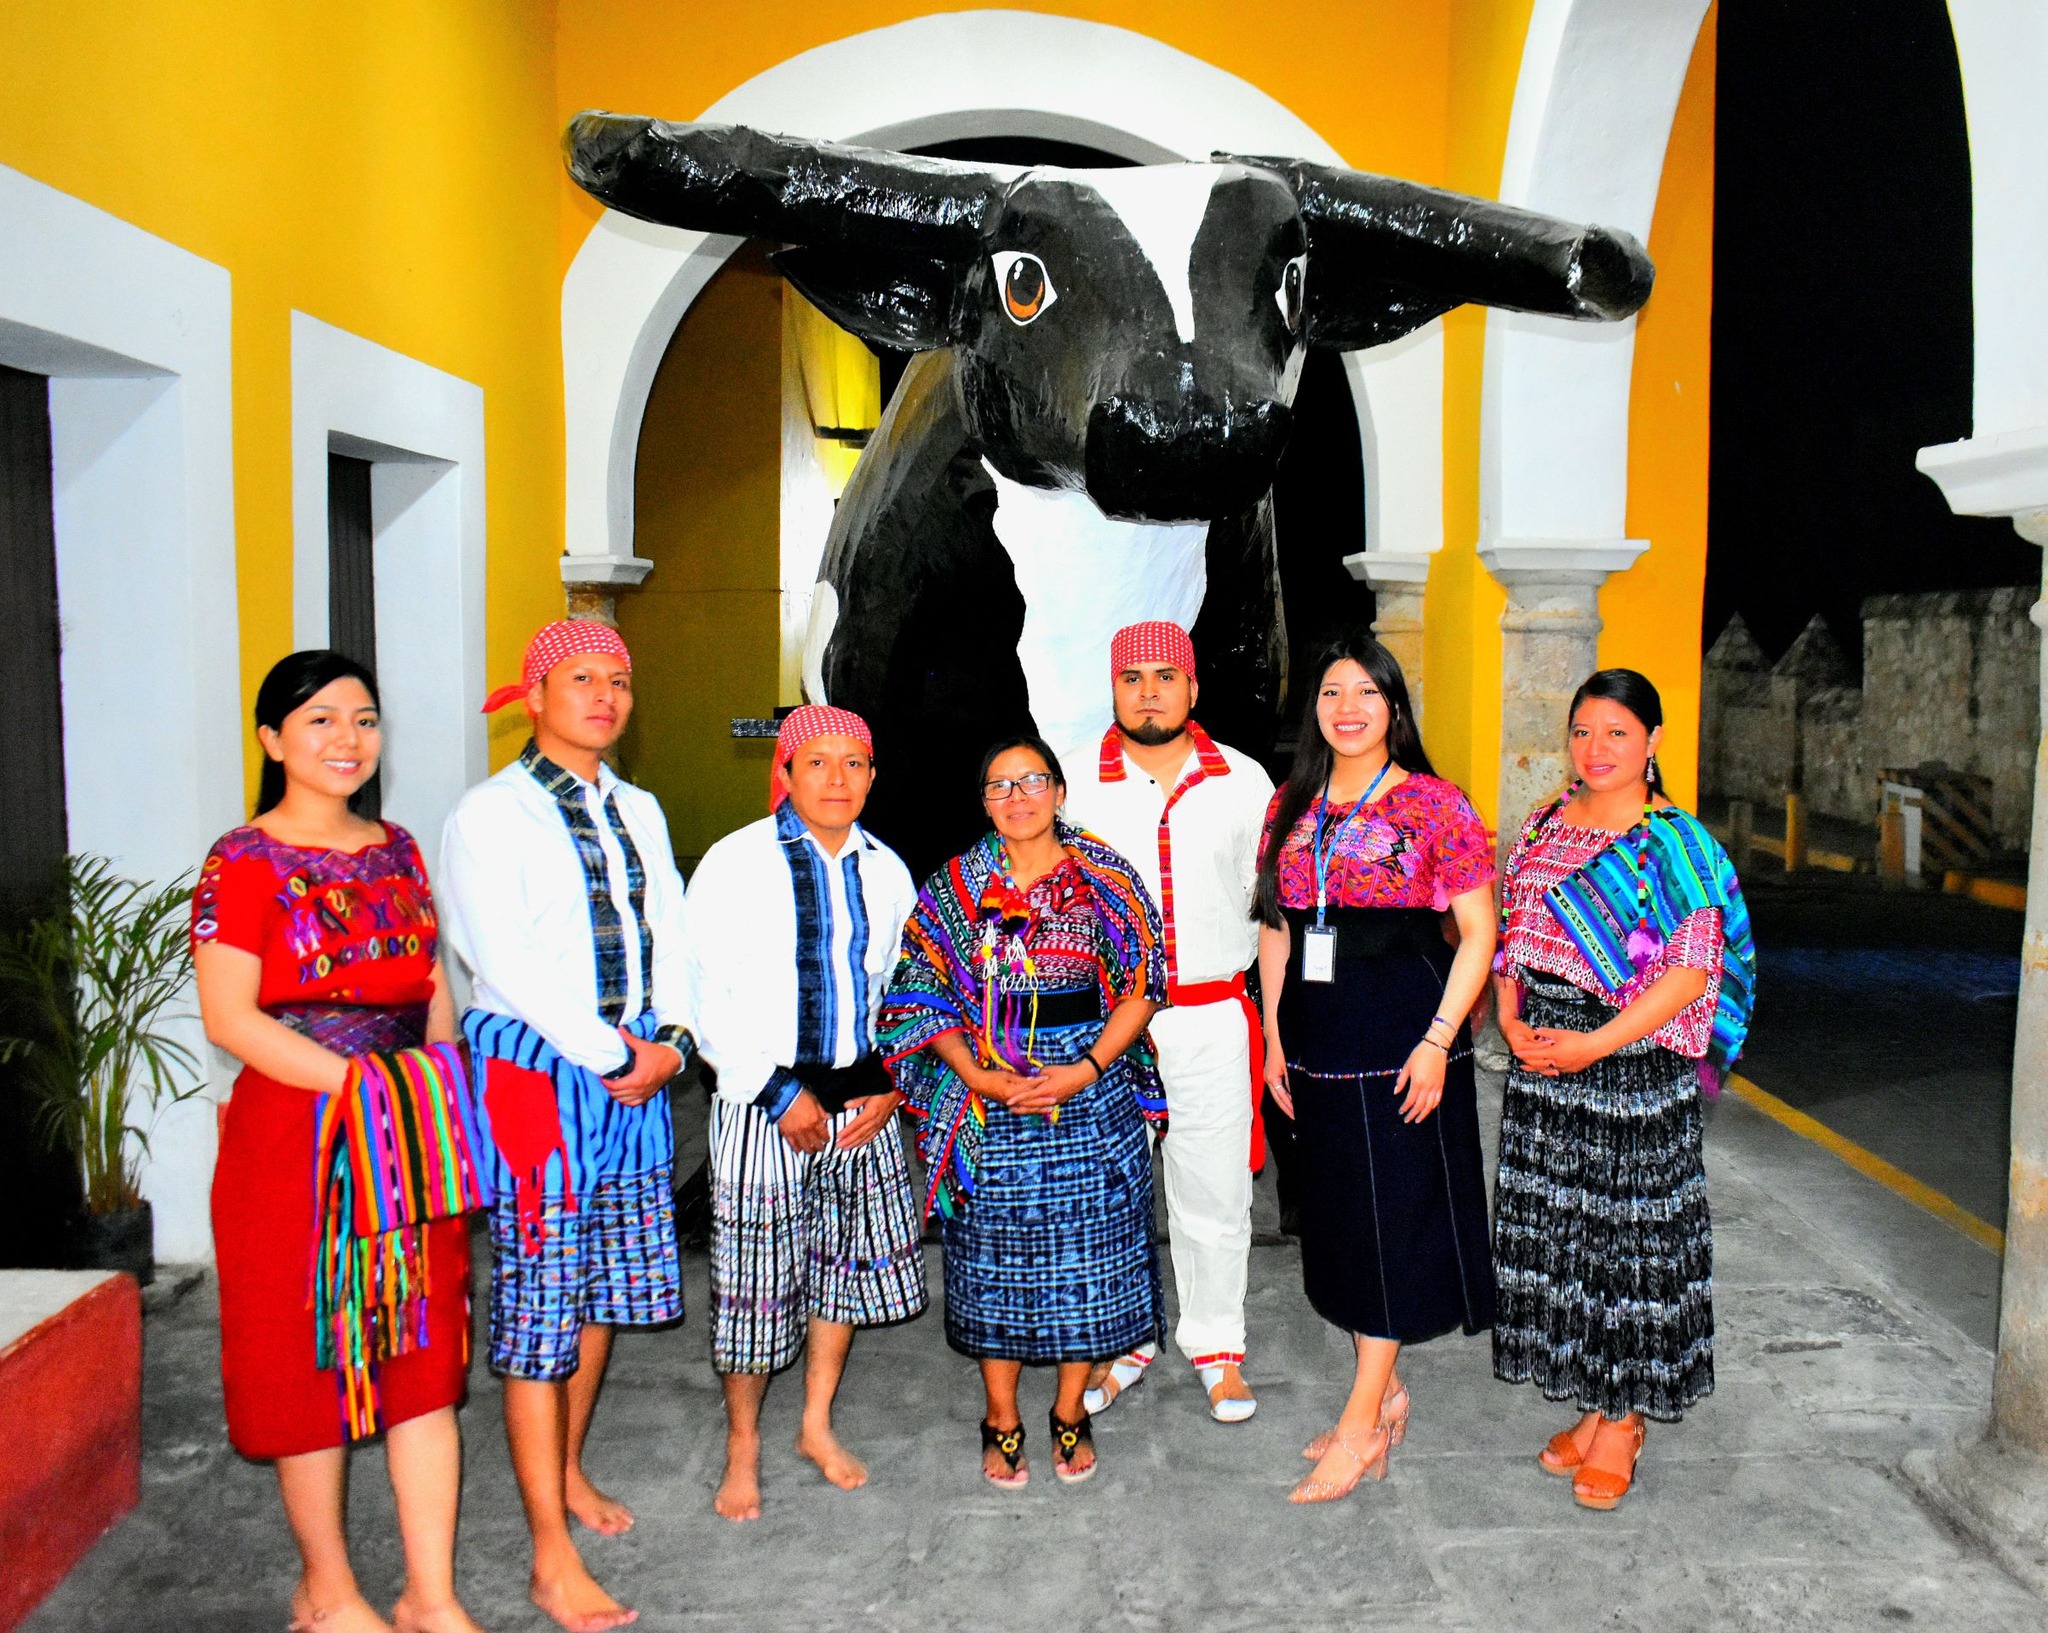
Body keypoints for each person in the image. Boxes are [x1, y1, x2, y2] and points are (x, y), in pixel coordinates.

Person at [194, 650, 484, 1633]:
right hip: (298, 1136)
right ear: (272, 739)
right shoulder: (244, 860)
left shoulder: (398, 846)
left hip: (409, 1135)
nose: (347, 739)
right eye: (319, 720)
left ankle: (429, 1593)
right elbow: (232, 1018)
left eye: (363, 718)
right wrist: (370, 1090)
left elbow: (431, 984)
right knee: (305, 1367)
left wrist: (439, 1094)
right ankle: (326, 1589)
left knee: (421, 1359)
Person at [438, 621, 692, 1633]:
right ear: (534, 695)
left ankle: (569, 1471)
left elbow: (671, 928)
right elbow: (503, 959)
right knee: (542, 1302)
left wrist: (672, 1039)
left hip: (634, 1066)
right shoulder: (488, 815)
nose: (604, 695)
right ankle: (549, 1553)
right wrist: (614, 1055)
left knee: (600, 1291)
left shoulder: (638, 805)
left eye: (620, 679)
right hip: (542, 1075)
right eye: (581, 677)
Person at [1492, 668, 1753, 1511]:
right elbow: (1511, 934)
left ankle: (1623, 1419)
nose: (1595, 749)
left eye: (1615, 732)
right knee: (1569, 1236)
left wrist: (1594, 1043)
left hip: (1633, 1064)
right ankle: (1596, 1399)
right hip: (1548, 1059)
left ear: (1653, 742)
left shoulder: (1674, 841)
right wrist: (1511, 1014)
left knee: (1629, 1244)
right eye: (1582, 731)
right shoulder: (1541, 826)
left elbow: (1690, 974)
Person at [882, 736, 1167, 1488]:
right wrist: (978, 1073)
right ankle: (1001, 1416)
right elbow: (920, 990)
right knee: (991, 1257)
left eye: (1032, 780)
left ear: (1060, 789)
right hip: (988, 1091)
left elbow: (1143, 980)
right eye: (999, 786)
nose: (1018, 797)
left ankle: (1070, 1410)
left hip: (1089, 1085)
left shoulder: (1105, 875)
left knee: (1088, 1251)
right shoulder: (953, 886)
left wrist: (1084, 1068)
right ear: (982, 802)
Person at [1256, 634, 1498, 1504]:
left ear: (1394, 707)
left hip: (1405, 1041)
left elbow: (1479, 932)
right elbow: (1279, 929)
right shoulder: (1291, 805)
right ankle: (1385, 1390)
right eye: (1331, 691)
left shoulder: (1436, 804)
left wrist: (1438, 1040)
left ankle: (1361, 1422)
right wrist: (1277, 1040)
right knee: (1344, 1223)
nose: (1347, 706)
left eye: (1367, 690)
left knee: (1394, 1221)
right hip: (1316, 1045)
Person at [679, 704, 928, 1523]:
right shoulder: (734, 862)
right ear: (785, 772)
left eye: (854, 764)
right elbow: (703, 992)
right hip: (763, 1101)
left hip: (861, 1102)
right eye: (817, 763)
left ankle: (815, 1423)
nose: (837, 780)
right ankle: (744, 1439)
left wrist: (892, 1083)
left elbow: (907, 992)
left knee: (841, 1269)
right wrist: (776, 1092)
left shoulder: (887, 868)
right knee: (753, 1280)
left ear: (872, 777)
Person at [1060, 621, 1274, 1423]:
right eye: (1132, 678)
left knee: (1214, 1190)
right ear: (1112, 690)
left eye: (1165, 675)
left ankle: (1219, 1347)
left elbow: (1274, 911)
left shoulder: (1246, 782)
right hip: (1108, 1028)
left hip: (1213, 1013)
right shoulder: (1073, 780)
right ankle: (1122, 1342)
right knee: (1111, 1191)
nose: (1148, 691)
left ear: (1192, 687)